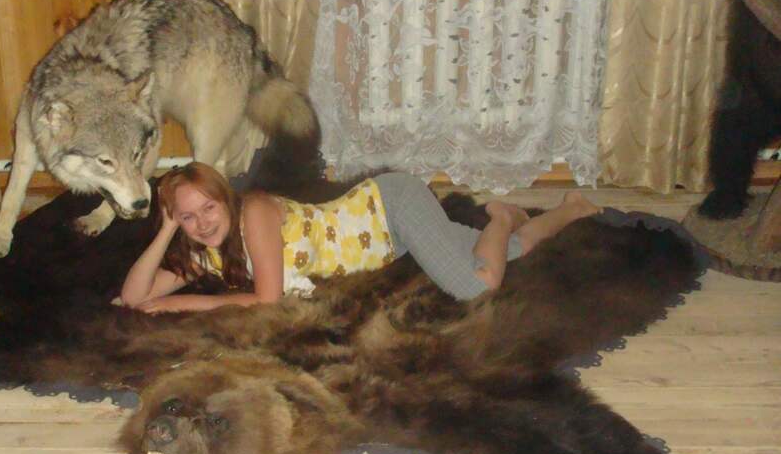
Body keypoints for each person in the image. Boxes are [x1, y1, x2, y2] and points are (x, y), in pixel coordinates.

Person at [120, 162, 601, 313]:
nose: (203, 223)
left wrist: (181, 304)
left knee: (476, 285)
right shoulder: (207, 252)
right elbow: (134, 296)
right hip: (393, 243)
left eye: (209, 207)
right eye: (188, 217)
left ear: (226, 200)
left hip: (390, 207)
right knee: (508, 255)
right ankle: (572, 209)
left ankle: (499, 216)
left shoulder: (256, 214)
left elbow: (267, 299)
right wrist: (166, 228)